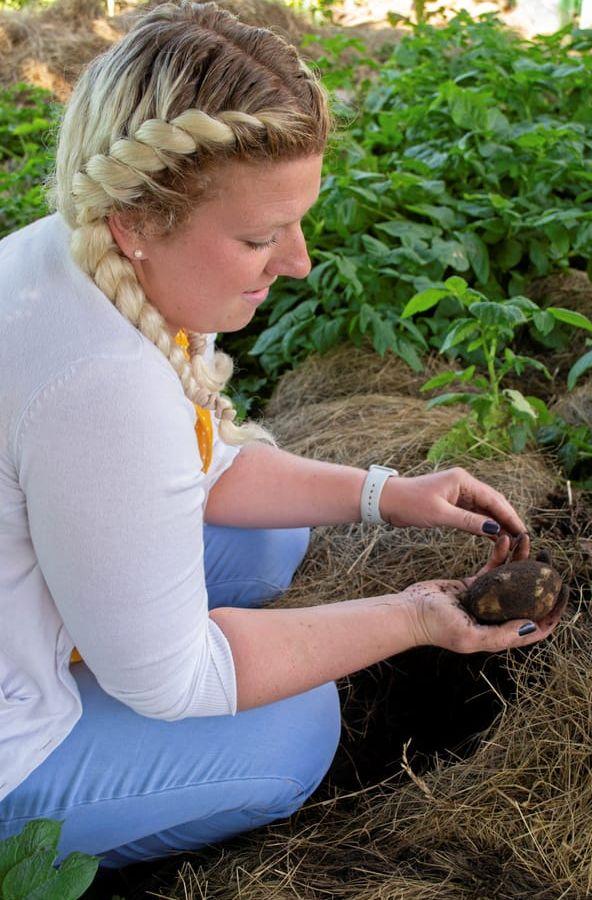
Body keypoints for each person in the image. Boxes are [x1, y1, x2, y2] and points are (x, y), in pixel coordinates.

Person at [0, 0, 562, 871]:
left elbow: (208, 468)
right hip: (10, 748)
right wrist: (413, 615)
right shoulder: (105, 388)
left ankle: (92, 643)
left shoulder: (84, 256)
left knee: (269, 543)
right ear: (136, 220)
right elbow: (176, 681)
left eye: (296, 221)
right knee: (294, 733)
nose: (297, 260)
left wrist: (384, 495)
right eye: (261, 236)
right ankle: (48, 851)